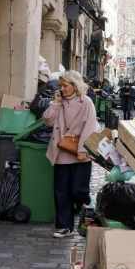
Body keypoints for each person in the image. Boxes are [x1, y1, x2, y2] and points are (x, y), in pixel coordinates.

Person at [43, 71, 98, 238]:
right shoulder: (59, 103)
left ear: (75, 86)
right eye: (61, 86)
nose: (63, 89)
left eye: (65, 85)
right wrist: (55, 103)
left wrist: (82, 150)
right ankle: (64, 226)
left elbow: (90, 128)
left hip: (80, 153)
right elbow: (47, 120)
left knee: (78, 191)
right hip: (61, 153)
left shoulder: (86, 102)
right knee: (61, 191)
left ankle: (83, 208)